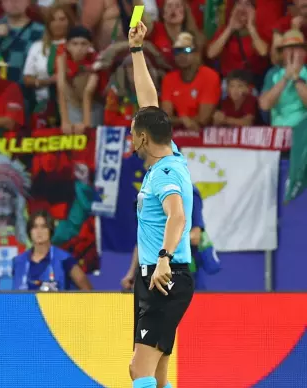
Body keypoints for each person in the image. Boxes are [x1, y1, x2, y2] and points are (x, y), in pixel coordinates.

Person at [126, 21, 195, 388]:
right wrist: (137, 51)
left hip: (165, 276)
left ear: (142, 138)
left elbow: (178, 215)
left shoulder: (166, 174)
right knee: (158, 372)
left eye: (133, 133)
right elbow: (148, 102)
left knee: (140, 371)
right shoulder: (168, 158)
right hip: (155, 276)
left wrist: (164, 258)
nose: (130, 140)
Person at [12, 210, 92, 291]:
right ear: (29, 231)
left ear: (50, 230)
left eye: (43, 227)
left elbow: (87, 289)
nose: (39, 231)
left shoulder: (64, 259)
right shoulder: (18, 261)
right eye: (35, 227)